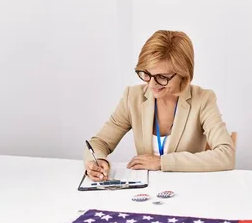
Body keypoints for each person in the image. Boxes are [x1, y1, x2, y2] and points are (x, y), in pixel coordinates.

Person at [84, 30, 235, 180]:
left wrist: (163, 162)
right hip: (144, 190)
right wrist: (98, 160)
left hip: (187, 188)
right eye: (147, 74)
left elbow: (226, 154)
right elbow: (99, 142)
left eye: (162, 77)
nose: (152, 84)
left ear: (183, 74)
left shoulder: (203, 100)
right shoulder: (133, 97)